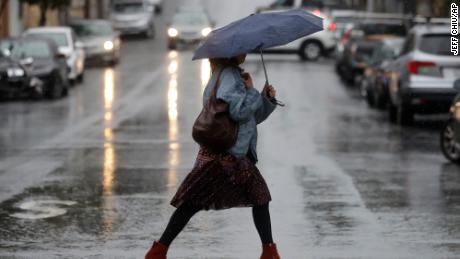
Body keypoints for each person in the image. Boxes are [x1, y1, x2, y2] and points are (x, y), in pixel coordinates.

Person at [145, 54, 281, 259]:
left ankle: (159, 251)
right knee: (254, 197)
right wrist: (252, 91)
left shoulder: (228, 74)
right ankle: (269, 253)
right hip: (226, 154)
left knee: (197, 202)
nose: (245, 53)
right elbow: (238, 113)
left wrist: (265, 99)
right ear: (231, 53)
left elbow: (249, 119)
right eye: (242, 49)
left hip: (226, 152)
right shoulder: (229, 76)